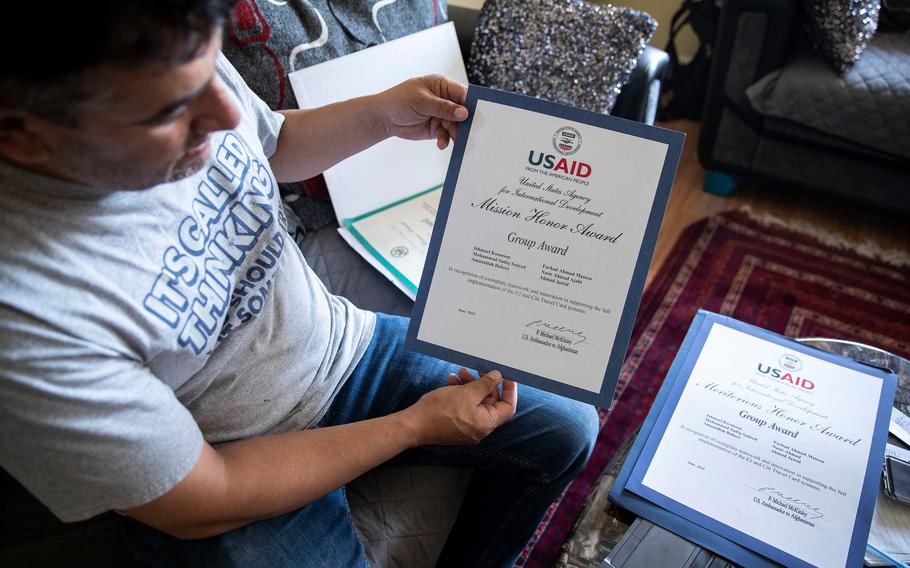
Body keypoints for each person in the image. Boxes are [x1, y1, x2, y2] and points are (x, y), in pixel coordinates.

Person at [0, 2, 600, 567]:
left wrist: (381, 112)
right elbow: (204, 497)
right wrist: (411, 426)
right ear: (19, 134)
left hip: (341, 345)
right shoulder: (27, 322)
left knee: (569, 427)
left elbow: (271, 143)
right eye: (169, 114)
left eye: (213, 68)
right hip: (236, 464)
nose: (226, 113)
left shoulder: (167, 48)